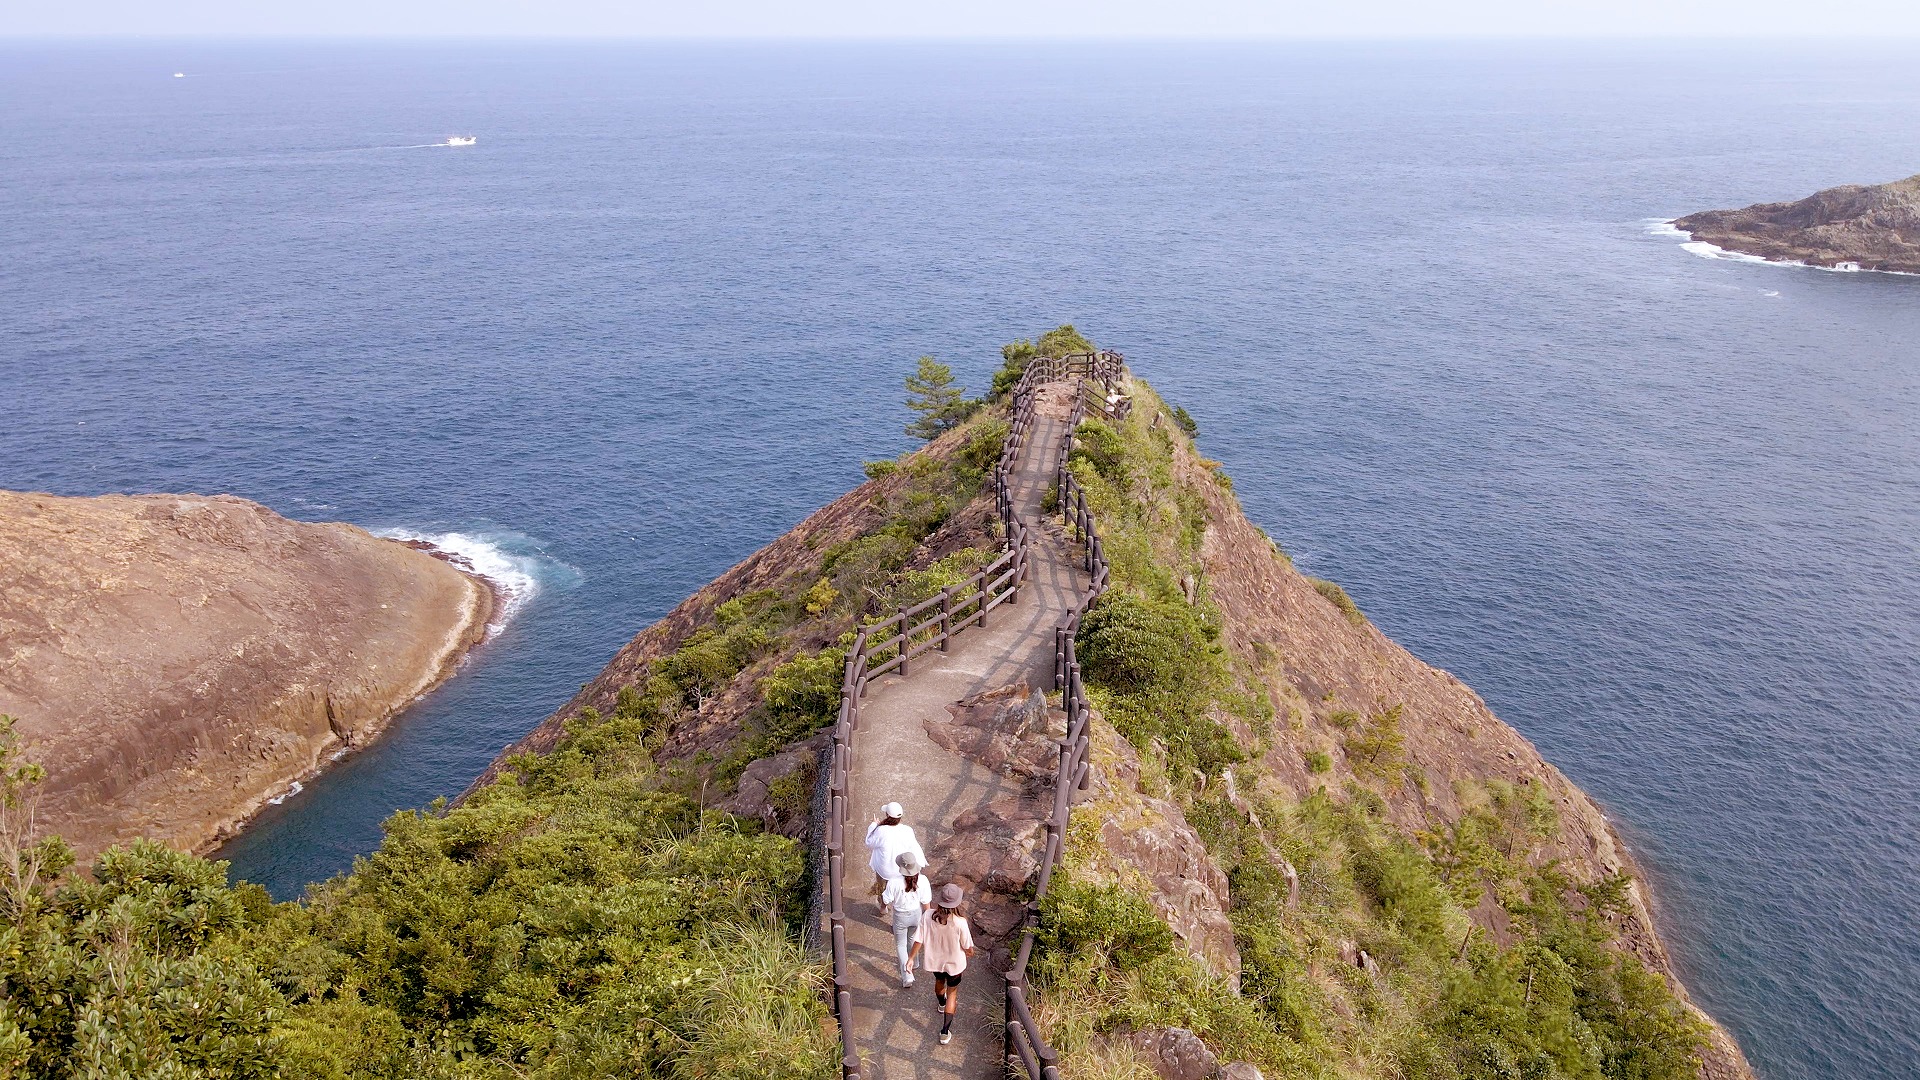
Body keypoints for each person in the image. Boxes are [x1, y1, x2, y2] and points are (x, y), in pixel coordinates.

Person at [908, 883, 974, 1045]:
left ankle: (941, 1003)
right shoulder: (960, 922)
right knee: (952, 993)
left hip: (935, 962)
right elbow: (968, 948)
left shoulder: (928, 915)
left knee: (939, 982)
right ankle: (944, 1032)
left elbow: (919, 939)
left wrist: (911, 958)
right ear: (957, 903)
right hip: (955, 965)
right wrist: (969, 953)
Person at [882, 851, 932, 987]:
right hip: (917, 914)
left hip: (900, 916)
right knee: (912, 939)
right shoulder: (923, 880)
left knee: (900, 944)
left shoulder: (894, 882)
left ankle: (907, 975)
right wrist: (927, 920)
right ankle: (914, 962)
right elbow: (926, 902)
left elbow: (886, 899)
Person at [864, 801, 924, 916]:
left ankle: (883, 906)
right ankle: (896, 907)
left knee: (882, 886)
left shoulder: (881, 830)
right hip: (902, 868)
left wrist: (873, 825)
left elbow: (869, 843)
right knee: (900, 890)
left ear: (887, 815)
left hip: (885, 869)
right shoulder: (907, 830)